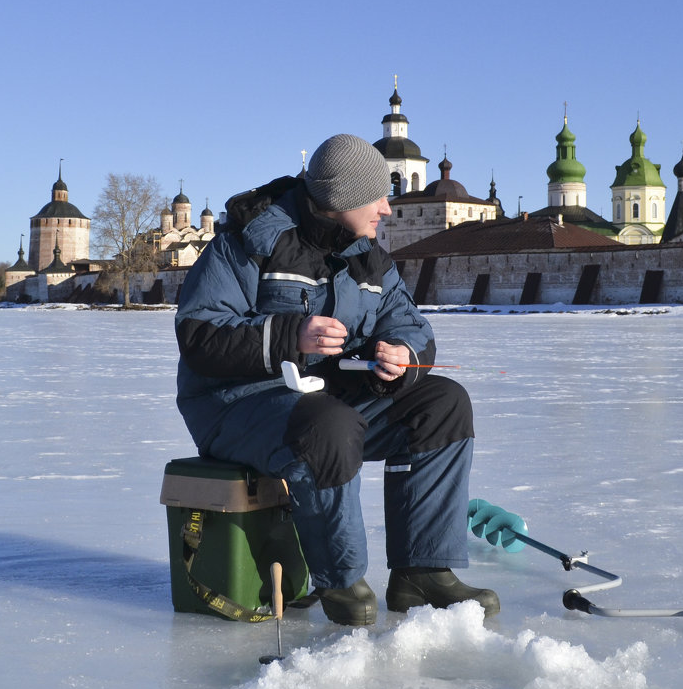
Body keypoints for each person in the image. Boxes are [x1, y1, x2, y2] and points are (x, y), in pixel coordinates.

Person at [174, 134, 499, 625]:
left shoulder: (369, 257)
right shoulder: (248, 242)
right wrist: (290, 336)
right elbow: (199, 335)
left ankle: (422, 571)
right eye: (377, 197)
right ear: (340, 199)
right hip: (233, 404)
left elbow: (412, 327)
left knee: (443, 404)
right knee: (328, 426)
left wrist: (398, 356)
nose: (387, 209)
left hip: (326, 396)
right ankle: (341, 581)